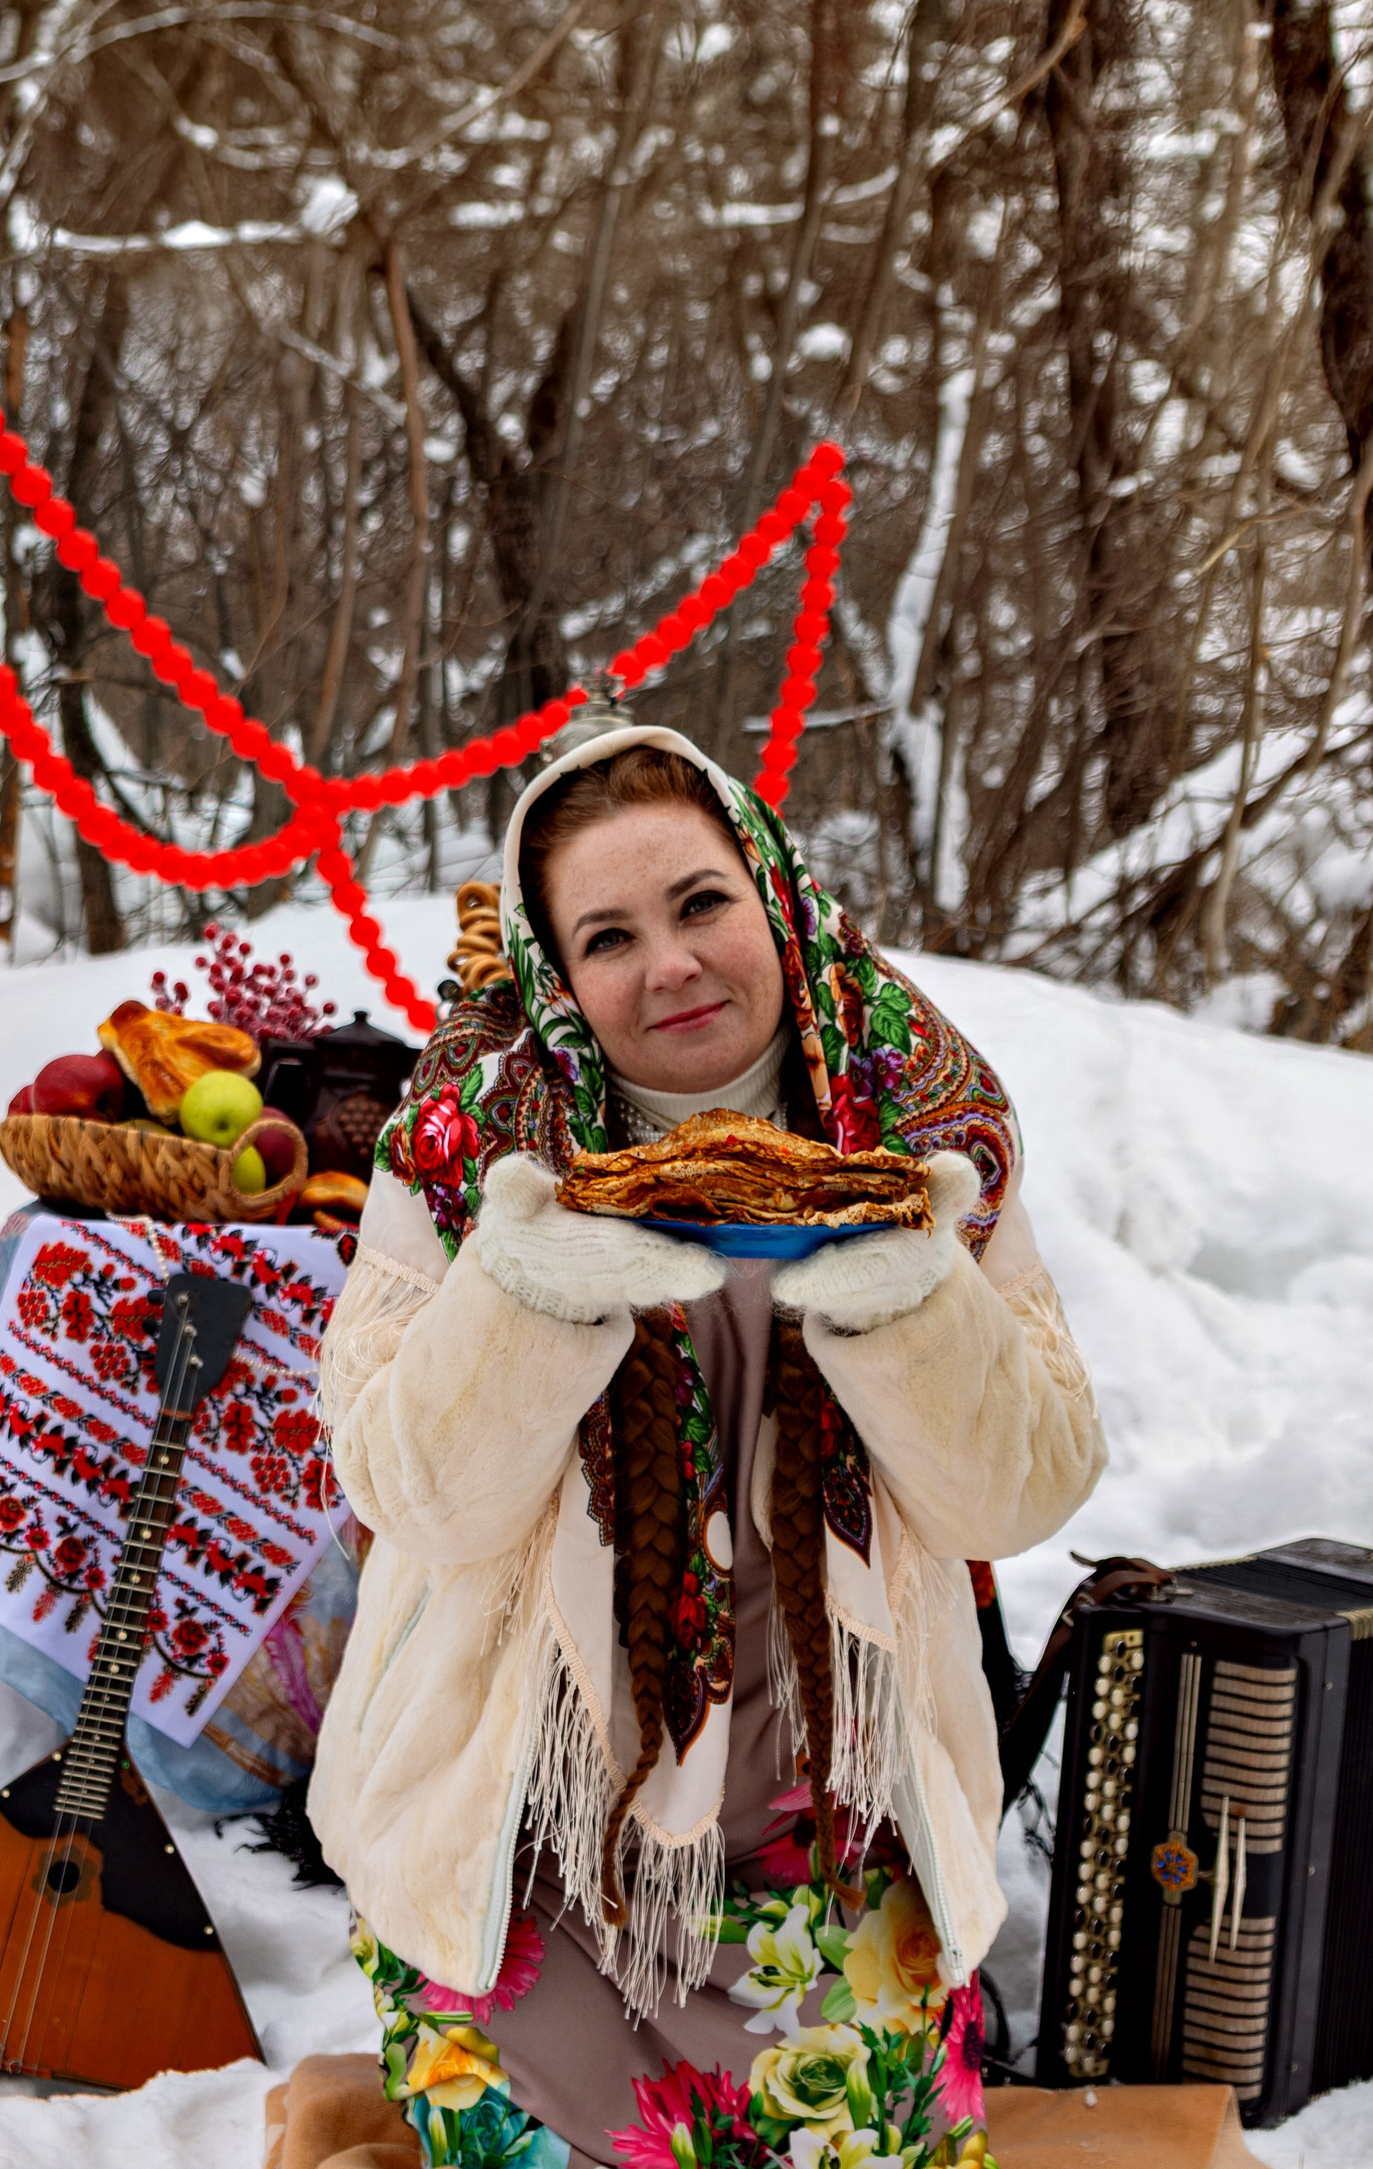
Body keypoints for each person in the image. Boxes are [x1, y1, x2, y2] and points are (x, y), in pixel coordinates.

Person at [308, 724, 1105, 2169]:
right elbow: (412, 1496)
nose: (668, 964)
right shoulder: (463, 1148)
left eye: (697, 903)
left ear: (775, 895)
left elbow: (1024, 1487)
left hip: (839, 1832)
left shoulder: (927, 1127)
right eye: (606, 936)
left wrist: (917, 1300)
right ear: (556, 973)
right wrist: (525, 1293)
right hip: (526, 1837)